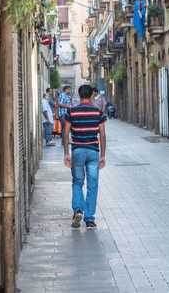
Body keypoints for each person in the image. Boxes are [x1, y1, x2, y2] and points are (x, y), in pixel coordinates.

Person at [63, 84, 107, 230]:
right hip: (93, 152)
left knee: (77, 182)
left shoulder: (72, 111)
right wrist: (103, 156)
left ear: (79, 95)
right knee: (92, 185)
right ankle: (89, 219)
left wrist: (66, 154)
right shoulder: (97, 112)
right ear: (91, 95)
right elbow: (102, 134)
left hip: (77, 151)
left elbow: (66, 132)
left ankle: (78, 210)